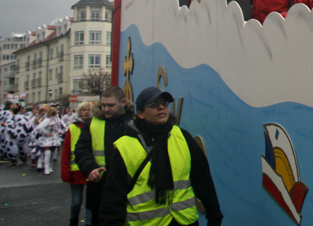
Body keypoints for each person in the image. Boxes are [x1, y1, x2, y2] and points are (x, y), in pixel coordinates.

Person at [99, 87, 223, 226]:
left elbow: (203, 180)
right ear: (140, 114)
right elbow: (112, 199)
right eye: (153, 104)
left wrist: (214, 215)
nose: (161, 107)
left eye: (164, 103)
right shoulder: (125, 146)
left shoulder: (182, 137)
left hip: (185, 221)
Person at [75, 87, 133, 226]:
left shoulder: (134, 123)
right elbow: (81, 150)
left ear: (123, 102)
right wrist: (90, 168)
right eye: (103, 105)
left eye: (110, 105)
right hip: (100, 189)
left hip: (130, 188)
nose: (106, 109)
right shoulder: (92, 124)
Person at [62, 102, 94, 226]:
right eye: (84, 110)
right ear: (79, 112)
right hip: (75, 171)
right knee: (76, 201)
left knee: (90, 202)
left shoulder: (94, 126)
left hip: (91, 169)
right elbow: (66, 150)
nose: (86, 112)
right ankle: (73, 221)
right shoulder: (73, 128)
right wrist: (65, 170)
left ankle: (88, 222)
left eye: (88, 110)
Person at [33, 107, 67, 174]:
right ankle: (47, 168)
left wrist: (60, 132)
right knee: (48, 153)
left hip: (54, 138)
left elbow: (64, 127)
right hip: (47, 138)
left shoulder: (57, 120)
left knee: (51, 153)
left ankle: (49, 167)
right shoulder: (48, 120)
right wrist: (46, 133)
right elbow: (39, 127)